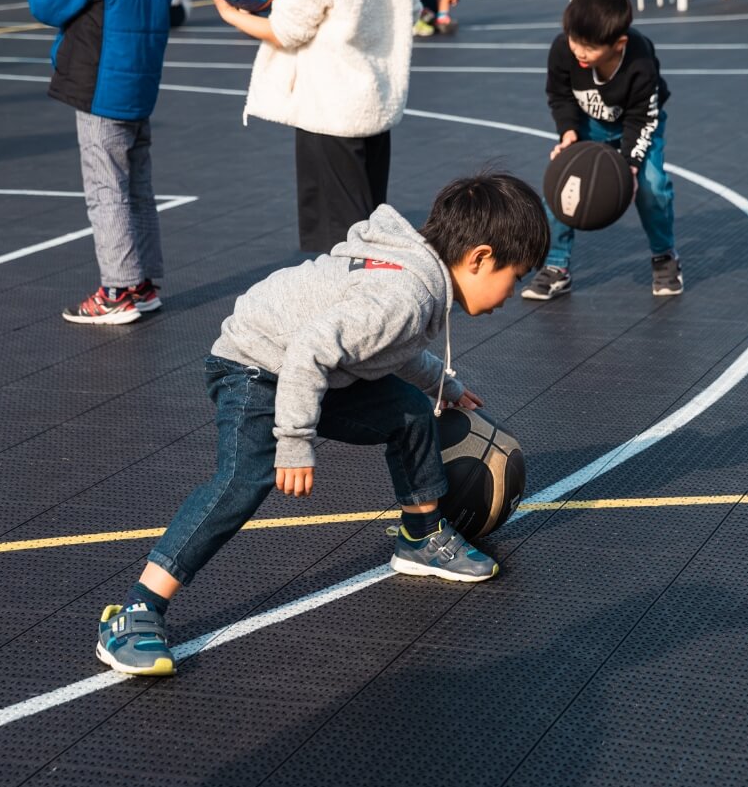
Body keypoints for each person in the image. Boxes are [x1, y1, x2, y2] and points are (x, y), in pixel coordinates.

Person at [93, 172, 550, 676]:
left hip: (307, 370)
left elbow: (391, 350)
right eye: (517, 275)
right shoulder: (404, 298)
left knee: (412, 413)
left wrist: (441, 384)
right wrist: (293, 442)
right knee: (243, 479)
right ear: (480, 258)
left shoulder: (413, 283)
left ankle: (421, 537)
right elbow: (311, 349)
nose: (513, 291)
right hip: (256, 365)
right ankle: (136, 611)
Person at [207, 0, 419, 254]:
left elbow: (287, 30)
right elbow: (410, 10)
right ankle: (367, 301)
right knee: (366, 231)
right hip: (374, 108)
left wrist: (229, 14)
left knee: (341, 243)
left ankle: (354, 307)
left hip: (331, 113)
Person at [28, 0, 175, 324]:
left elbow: (46, 3)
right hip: (139, 90)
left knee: (106, 190)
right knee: (137, 190)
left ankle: (117, 291)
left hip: (100, 92)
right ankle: (142, 284)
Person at [523, 0, 681, 302]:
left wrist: (632, 165)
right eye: (574, 41)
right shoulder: (563, 50)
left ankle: (664, 256)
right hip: (587, 125)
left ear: (618, 43)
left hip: (633, 127)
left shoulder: (640, 62)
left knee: (652, 186)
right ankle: (556, 266)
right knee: (561, 184)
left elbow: (643, 118)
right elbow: (560, 95)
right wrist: (567, 132)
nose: (579, 51)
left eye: (590, 47)